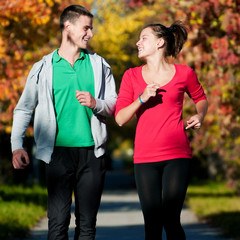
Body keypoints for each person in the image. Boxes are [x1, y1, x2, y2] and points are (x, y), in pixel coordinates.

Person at [11, 4, 117, 240]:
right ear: (67, 27)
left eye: (91, 29)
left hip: (92, 154)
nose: (90, 34)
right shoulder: (43, 68)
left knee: (87, 225)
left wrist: (96, 103)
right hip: (57, 155)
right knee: (57, 224)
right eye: (86, 28)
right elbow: (24, 108)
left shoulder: (99, 65)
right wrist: (17, 145)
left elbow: (115, 105)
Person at [115, 21, 208, 240]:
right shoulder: (131, 76)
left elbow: (200, 98)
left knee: (171, 220)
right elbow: (120, 118)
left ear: (160, 42)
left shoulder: (185, 73)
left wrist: (199, 115)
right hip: (145, 158)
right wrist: (142, 98)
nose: (138, 43)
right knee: (152, 226)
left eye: (143, 38)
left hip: (177, 155)